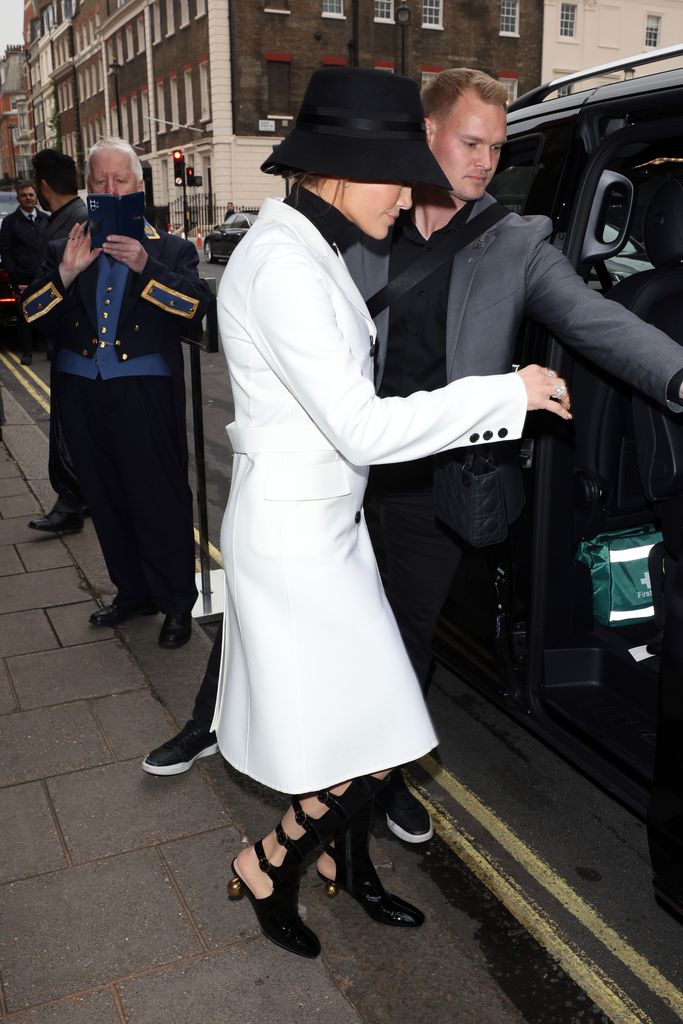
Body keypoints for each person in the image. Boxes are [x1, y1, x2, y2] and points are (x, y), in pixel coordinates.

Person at [209, 65, 570, 960]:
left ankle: (339, 863)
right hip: (296, 544)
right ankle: (270, 863)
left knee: (367, 732)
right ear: (341, 167)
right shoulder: (285, 264)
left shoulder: (306, 244)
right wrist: (507, 393)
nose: (414, 190)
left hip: (328, 530)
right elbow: (362, 426)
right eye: (398, 171)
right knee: (378, 733)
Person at [341, 66, 683, 844]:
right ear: (426, 135)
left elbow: (597, 321)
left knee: (404, 641)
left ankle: (378, 781)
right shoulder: (360, 223)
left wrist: (677, 376)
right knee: (320, 628)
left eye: (497, 148)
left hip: (431, 484)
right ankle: (227, 723)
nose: (485, 161)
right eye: (471, 142)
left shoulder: (514, 241)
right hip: (341, 469)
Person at [22, 138, 212, 649]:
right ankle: (133, 593)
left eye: (119, 181)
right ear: (89, 188)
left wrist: (145, 268)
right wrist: (65, 275)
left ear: (138, 186)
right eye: (99, 182)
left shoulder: (171, 248)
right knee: (105, 498)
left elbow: (195, 308)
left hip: (143, 395)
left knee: (158, 498)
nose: (109, 189)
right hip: (81, 393)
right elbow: (31, 316)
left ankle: (175, 602)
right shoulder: (66, 248)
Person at [27, 149, 89, 537]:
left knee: (67, 430)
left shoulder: (70, 226)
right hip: (76, 343)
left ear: (43, 186)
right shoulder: (72, 218)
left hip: (73, 344)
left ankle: (70, 504)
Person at [0, 181, 49, 364]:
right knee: (24, 316)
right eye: (24, 195)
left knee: (46, 311)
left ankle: (49, 349)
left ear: (36, 197)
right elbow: (5, 250)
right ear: (18, 198)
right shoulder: (10, 222)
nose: (28, 198)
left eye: (31, 195)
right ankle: (27, 352)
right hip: (22, 276)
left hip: (43, 275)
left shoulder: (45, 218)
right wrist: (13, 273)